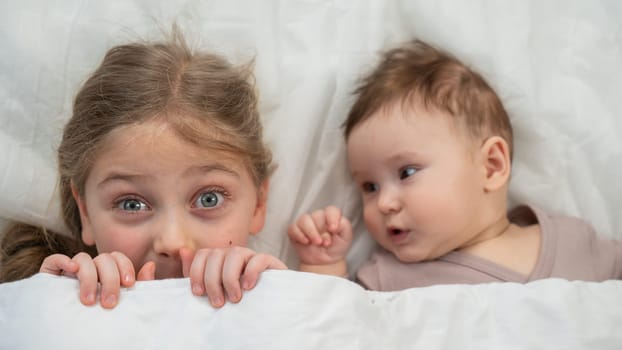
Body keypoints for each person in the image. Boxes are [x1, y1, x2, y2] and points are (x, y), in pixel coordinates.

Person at [287, 39, 622, 291]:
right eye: (369, 187)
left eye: (406, 173)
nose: (384, 203)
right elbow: (331, 326)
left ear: (491, 166)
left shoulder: (574, 241)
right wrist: (324, 265)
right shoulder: (388, 280)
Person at [0, 29, 286, 307]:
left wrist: (285, 307)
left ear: (258, 203)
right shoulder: (54, 305)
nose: (172, 242)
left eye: (209, 199)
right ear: (85, 211)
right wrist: (47, 309)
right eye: (131, 204)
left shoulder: (281, 307)